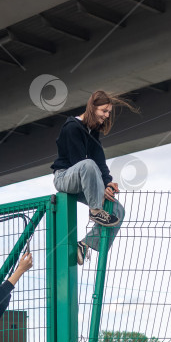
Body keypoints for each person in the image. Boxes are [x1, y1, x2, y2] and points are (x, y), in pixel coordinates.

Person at [51, 90, 136, 264]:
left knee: (117, 210)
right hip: (65, 178)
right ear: (92, 107)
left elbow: (99, 159)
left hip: (85, 180)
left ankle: (84, 244)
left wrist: (107, 183)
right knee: (88, 164)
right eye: (104, 111)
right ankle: (95, 211)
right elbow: (80, 163)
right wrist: (99, 189)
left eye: (108, 112)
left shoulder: (92, 131)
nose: (106, 115)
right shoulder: (72, 127)